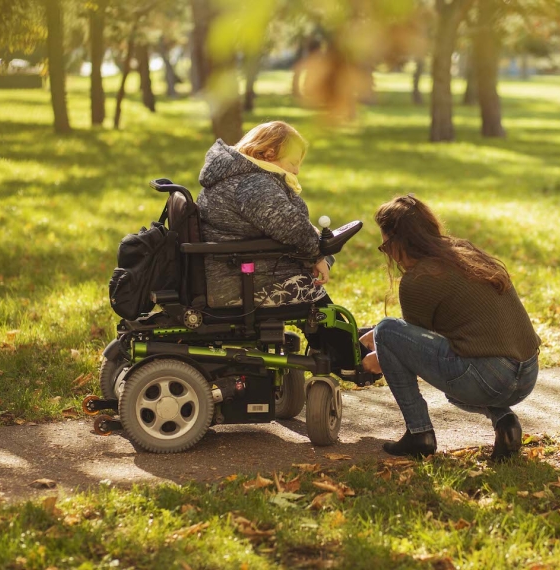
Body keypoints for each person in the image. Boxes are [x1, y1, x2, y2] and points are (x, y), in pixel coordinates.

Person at [360, 195, 541, 461]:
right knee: (453, 389)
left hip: (490, 378)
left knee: (387, 329)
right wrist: (375, 338)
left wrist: (374, 357)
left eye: (386, 247)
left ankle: (418, 433)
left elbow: (410, 348)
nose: (388, 255)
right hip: (526, 374)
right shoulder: (464, 252)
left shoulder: (418, 278)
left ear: (400, 242)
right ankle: (506, 424)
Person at [197, 121, 330, 308]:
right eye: (293, 163)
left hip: (233, 273)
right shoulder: (253, 183)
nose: (296, 171)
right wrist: (317, 256)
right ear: (269, 154)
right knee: (314, 285)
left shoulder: (239, 175)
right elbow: (291, 227)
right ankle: (336, 338)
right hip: (240, 283)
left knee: (325, 256)